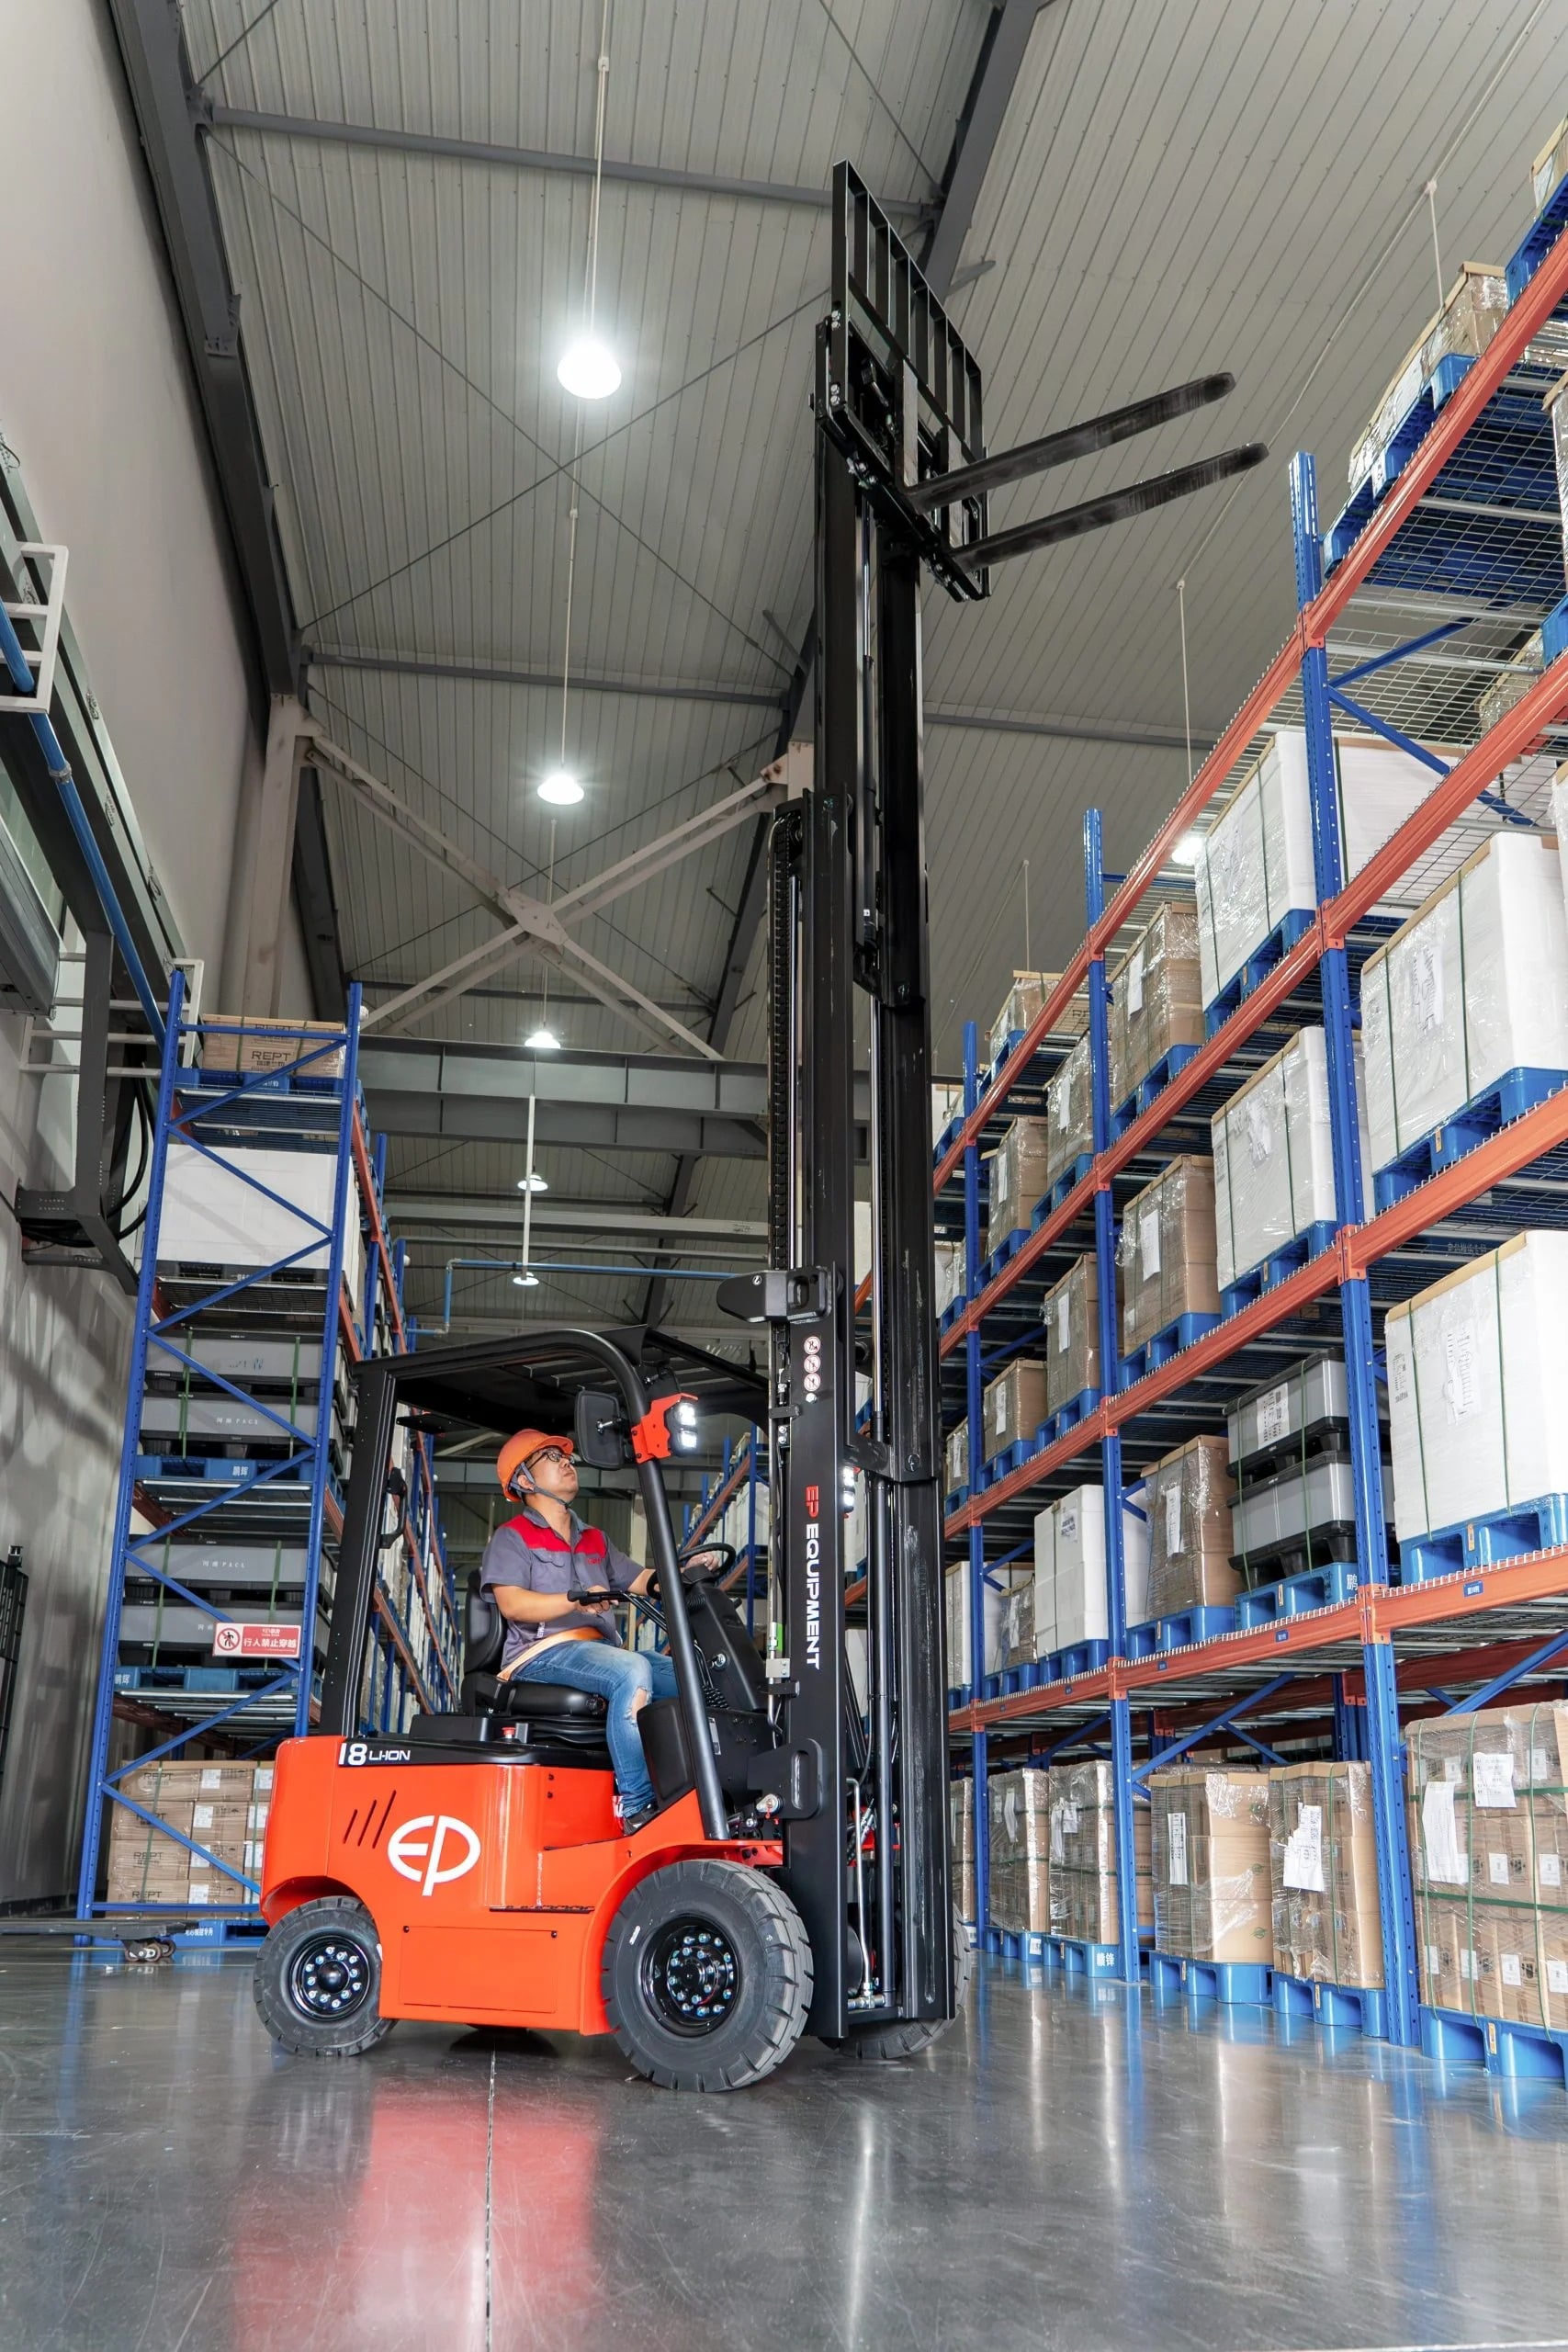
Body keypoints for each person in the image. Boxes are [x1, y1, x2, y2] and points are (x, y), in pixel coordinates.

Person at [479, 1428, 677, 1833]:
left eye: (566, 1456)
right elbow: (513, 1604)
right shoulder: (512, 1538)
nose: (567, 1462)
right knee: (631, 1671)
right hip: (541, 1653)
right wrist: (575, 1600)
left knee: (690, 1678)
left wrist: (683, 1573)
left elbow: (640, 1580)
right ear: (524, 1480)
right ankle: (638, 1809)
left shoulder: (594, 1539)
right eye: (552, 1458)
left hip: (598, 1651)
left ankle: (690, 1793)